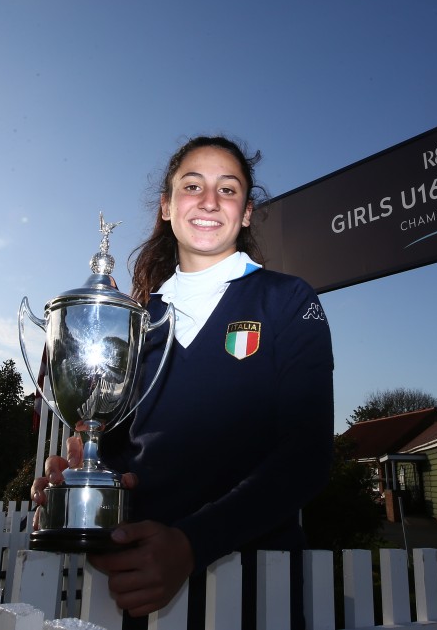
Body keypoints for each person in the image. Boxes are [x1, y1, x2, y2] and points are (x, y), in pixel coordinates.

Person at [31, 135, 334, 628]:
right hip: (139, 588)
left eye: (228, 189)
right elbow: (122, 451)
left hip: (259, 588)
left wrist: (192, 544)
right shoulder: (134, 319)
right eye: (193, 186)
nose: (210, 201)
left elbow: (307, 457)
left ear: (248, 212)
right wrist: (85, 477)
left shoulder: (287, 300)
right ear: (168, 207)